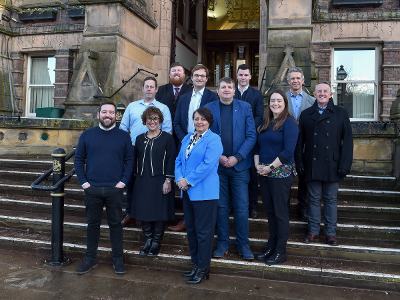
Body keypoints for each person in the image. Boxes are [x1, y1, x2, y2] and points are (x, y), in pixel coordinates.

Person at [74, 101, 134, 275]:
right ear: (98, 114)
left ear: (116, 115)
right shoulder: (87, 135)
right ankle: (90, 259)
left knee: (116, 225)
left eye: (111, 112)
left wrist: (122, 182)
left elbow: (129, 160)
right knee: (92, 225)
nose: (108, 115)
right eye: (104, 112)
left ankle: (118, 260)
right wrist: (84, 183)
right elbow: (78, 160)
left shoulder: (123, 136)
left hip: (114, 189)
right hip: (92, 188)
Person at [295, 81, 353, 246]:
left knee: (330, 199)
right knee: (313, 199)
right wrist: (299, 162)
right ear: (314, 94)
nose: (322, 94)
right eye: (319, 91)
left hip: (333, 165)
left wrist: (344, 165)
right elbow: (300, 143)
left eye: (325, 91)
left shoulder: (341, 113)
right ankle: (312, 232)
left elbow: (348, 142)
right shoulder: (306, 114)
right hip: (312, 164)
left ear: (331, 94)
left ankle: (330, 233)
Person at [205, 77, 257, 260]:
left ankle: (243, 245)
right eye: (223, 87)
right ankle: (223, 243)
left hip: (240, 167)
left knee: (242, 207)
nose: (226, 90)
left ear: (235, 91)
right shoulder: (209, 108)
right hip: (217, 167)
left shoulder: (245, 108)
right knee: (221, 207)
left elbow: (251, 136)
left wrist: (237, 157)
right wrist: (218, 157)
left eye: (230, 87)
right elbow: (203, 134)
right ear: (217, 90)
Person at [175, 107, 223, 284]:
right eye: (196, 119)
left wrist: (187, 180)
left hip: (204, 193)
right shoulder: (187, 138)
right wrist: (179, 178)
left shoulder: (214, 140)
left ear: (209, 121)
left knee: (204, 233)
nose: (199, 122)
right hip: (187, 192)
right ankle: (196, 264)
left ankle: (204, 268)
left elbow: (207, 165)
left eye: (203, 119)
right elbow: (178, 160)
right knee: (192, 231)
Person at [169, 63, 218, 232]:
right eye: (196, 75)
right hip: (187, 145)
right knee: (184, 178)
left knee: (199, 179)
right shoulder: (183, 97)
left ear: (206, 79)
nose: (199, 78)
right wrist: (187, 140)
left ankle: (198, 220)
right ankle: (186, 218)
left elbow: (213, 123)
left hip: (204, 145)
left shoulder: (212, 97)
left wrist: (198, 141)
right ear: (192, 78)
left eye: (202, 76)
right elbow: (176, 122)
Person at [119, 77, 172, 227]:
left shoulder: (163, 108)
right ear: (142, 89)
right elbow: (123, 128)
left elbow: (167, 130)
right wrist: (127, 147)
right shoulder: (132, 106)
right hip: (134, 151)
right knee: (131, 183)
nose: (149, 89)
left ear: (156, 89)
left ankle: (152, 214)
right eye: (146, 86)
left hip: (156, 153)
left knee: (151, 185)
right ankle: (131, 213)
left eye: (152, 86)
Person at [254, 90, 299, 265]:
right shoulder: (266, 122)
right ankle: (271, 246)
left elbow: (288, 152)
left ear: (285, 103)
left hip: (281, 173)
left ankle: (281, 251)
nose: (275, 104)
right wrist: (258, 165)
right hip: (264, 172)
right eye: (272, 101)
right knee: (270, 213)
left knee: (280, 214)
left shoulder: (289, 124)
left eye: (279, 101)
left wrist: (270, 168)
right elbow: (257, 147)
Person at [131, 106, 176, 256]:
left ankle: (157, 242)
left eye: (155, 118)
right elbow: (133, 160)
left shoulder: (167, 138)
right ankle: (148, 240)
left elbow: (171, 159)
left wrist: (168, 180)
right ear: (145, 121)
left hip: (160, 180)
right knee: (144, 211)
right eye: (149, 118)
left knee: (159, 212)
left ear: (160, 120)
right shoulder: (138, 139)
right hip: (143, 180)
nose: (152, 121)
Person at [285, 67, 316, 222]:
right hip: (285, 145)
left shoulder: (312, 101)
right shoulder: (281, 99)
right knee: (285, 178)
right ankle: (284, 206)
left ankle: (302, 207)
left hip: (305, 146)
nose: (295, 81)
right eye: (292, 78)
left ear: (303, 80)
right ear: (288, 81)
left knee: (304, 179)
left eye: (298, 78)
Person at [234, 64, 264, 219]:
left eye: (246, 75)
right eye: (241, 75)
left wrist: (247, 128)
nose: (243, 78)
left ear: (250, 77)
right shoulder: (231, 92)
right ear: (237, 76)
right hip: (232, 140)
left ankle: (252, 207)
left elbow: (260, 116)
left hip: (251, 139)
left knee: (252, 175)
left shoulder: (257, 94)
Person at [155, 62, 193, 145]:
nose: (176, 72)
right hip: (163, 132)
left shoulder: (191, 91)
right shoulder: (160, 90)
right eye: (173, 70)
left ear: (184, 74)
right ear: (169, 74)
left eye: (179, 70)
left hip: (184, 133)